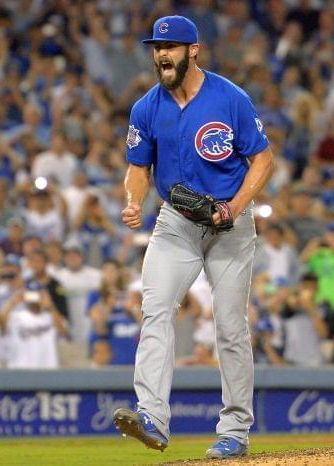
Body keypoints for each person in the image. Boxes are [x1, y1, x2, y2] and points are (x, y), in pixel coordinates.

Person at [112, 16, 274, 460]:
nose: (162, 54)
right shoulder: (146, 106)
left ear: (193, 51)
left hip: (230, 225)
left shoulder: (229, 98)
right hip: (175, 222)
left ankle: (235, 431)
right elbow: (137, 167)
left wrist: (236, 208)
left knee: (230, 327)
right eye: (156, 47)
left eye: (171, 46)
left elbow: (263, 160)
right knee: (156, 311)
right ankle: (152, 418)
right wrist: (133, 200)